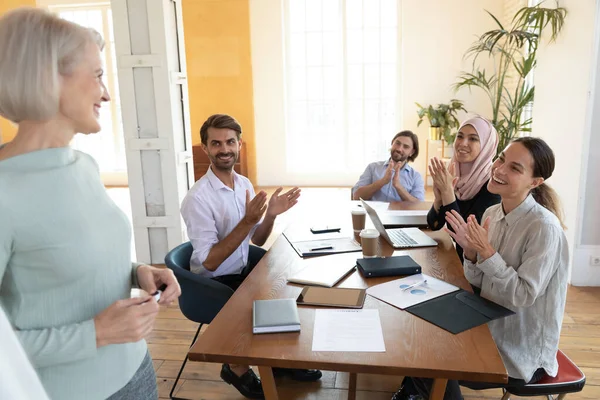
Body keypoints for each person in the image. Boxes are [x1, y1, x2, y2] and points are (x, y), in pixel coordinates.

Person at [0, 8, 181, 400]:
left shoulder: (82, 165)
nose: (107, 92)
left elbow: (72, 257)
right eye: (97, 74)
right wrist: (95, 334)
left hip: (137, 372)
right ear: (48, 76)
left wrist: (140, 272)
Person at [392, 137, 569, 400]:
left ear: (535, 182)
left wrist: (487, 253)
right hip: (487, 322)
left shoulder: (544, 228)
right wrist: (473, 255)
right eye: (501, 159)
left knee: (429, 354)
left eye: (515, 168)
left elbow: (522, 296)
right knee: (417, 326)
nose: (499, 169)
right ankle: (416, 392)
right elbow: (479, 281)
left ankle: (421, 391)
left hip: (518, 349)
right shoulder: (492, 214)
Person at [180, 114, 322, 399]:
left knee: (288, 287)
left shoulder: (243, 183)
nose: (224, 149)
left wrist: (270, 214)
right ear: (205, 147)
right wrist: (246, 221)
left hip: (241, 269)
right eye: (216, 143)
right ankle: (236, 367)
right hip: (213, 282)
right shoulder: (197, 199)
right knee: (259, 301)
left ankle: (274, 361)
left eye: (230, 142)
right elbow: (209, 262)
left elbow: (256, 239)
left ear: (239, 144)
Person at [427, 116, 501, 261]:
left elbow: (465, 237)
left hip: (477, 267)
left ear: (487, 145)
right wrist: (438, 200)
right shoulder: (454, 173)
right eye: (459, 136)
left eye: (473, 139)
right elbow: (434, 224)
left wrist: (448, 192)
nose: (463, 143)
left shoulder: (493, 184)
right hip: (458, 260)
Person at [352, 130, 425, 202]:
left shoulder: (416, 177)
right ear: (392, 143)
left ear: (411, 152)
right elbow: (356, 196)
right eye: (397, 143)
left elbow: (418, 205)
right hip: (374, 213)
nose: (399, 149)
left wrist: (398, 187)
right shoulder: (372, 167)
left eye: (405, 147)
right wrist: (382, 181)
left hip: (400, 214)